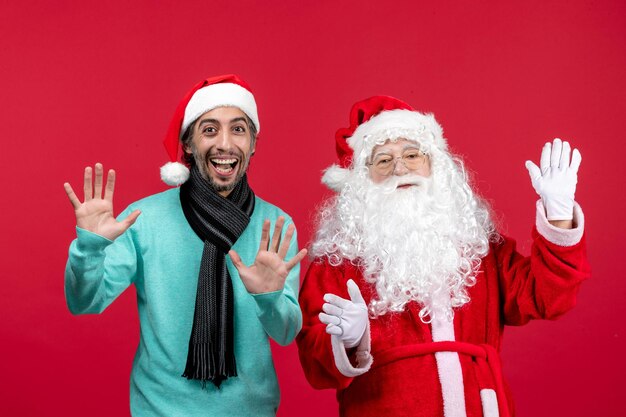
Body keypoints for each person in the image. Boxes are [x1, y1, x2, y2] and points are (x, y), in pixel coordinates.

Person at [296, 96, 590, 417]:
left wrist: (558, 213)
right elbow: (314, 362)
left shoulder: (478, 245)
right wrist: (349, 341)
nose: (399, 168)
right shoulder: (339, 259)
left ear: (435, 165)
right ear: (362, 180)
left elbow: (545, 296)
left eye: (412, 155)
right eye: (382, 161)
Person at [64, 74, 306, 416]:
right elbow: (84, 302)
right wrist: (89, 248)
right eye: (209, 130)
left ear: (253, 143)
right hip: (160, 409)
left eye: (238, 129)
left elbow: (285, 333)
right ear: (188, 145)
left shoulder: (276, 225)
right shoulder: (143, 218)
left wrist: (269, 298)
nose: (225, 144)